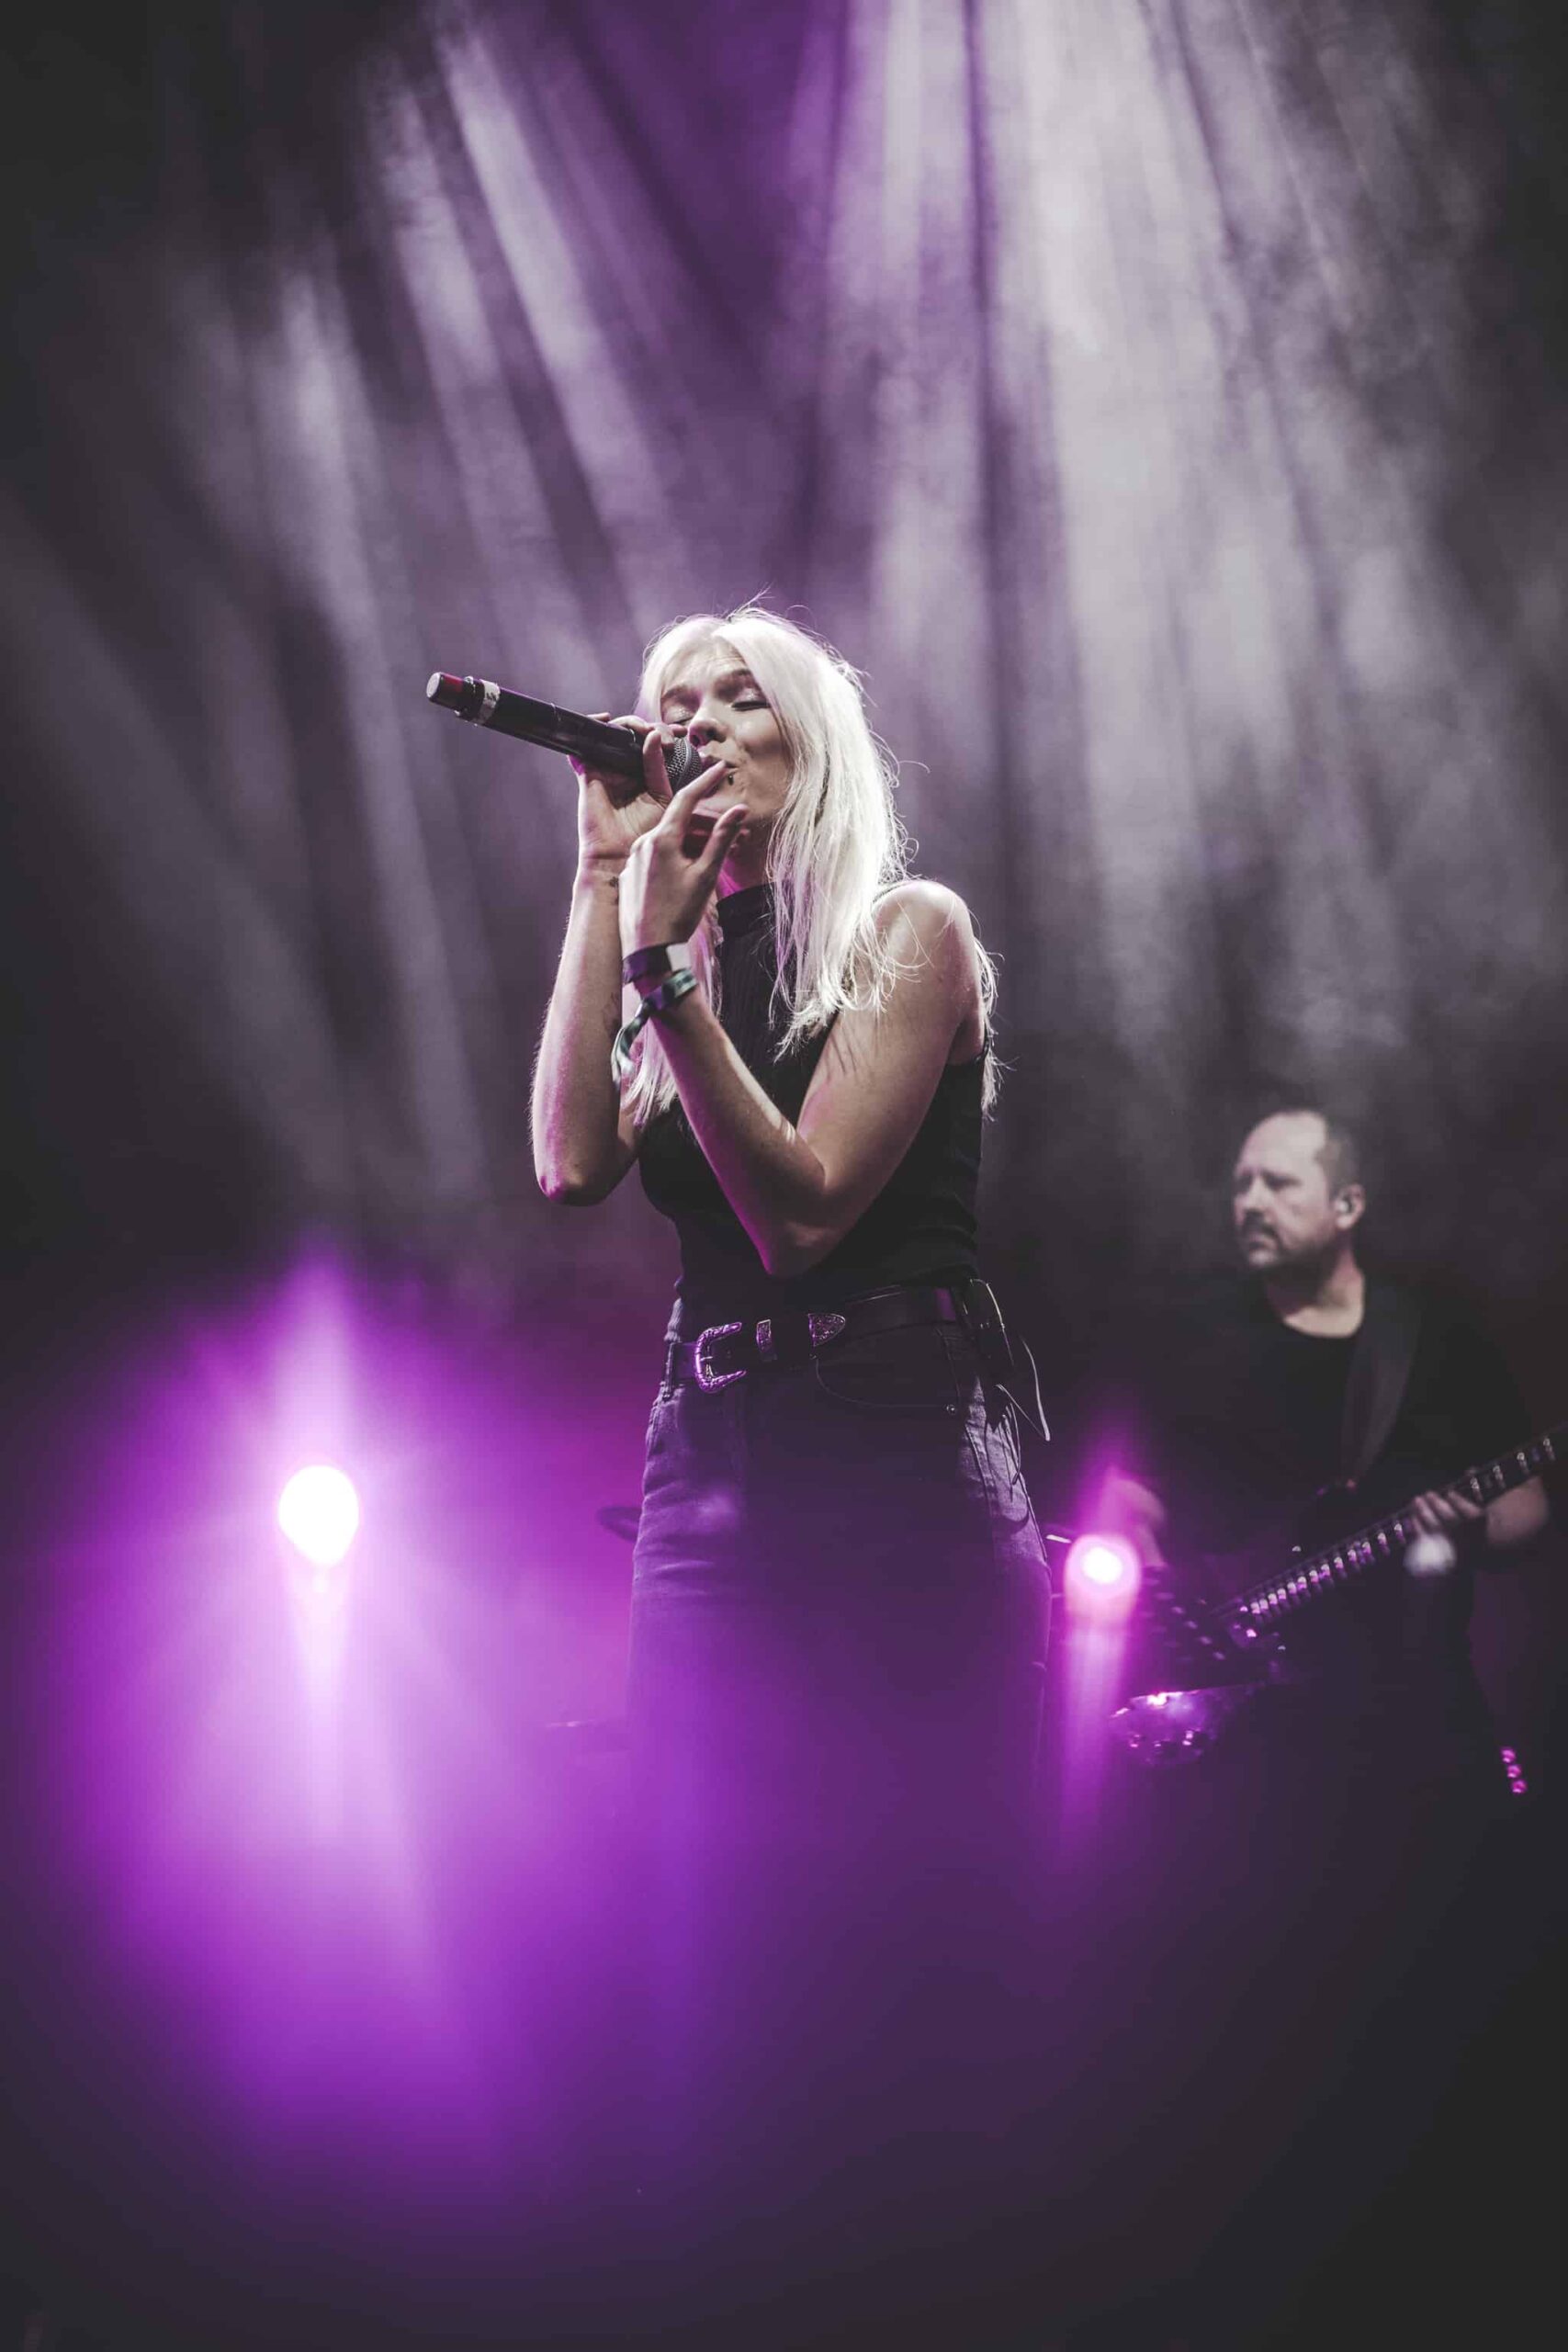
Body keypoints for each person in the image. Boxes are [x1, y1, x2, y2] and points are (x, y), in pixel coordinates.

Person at [529, 605, 1050, 2291]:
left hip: (899, 1449)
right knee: (713, 1906)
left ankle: (955, 2279)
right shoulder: (673, 948)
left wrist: (664, 973)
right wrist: (604, 887)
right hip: (713, 1462)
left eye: (736, 697)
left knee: (914, 1900)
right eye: (668, 701)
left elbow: (805, 1215)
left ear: (808, 739)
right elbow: (565, 1164)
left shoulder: (912, 933)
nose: (691, 722)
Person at [1092, 1102, 1551, 2344]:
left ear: (1347, 1206)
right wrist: (1149, 1586)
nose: (1248, 1201)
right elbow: (1128, 1503)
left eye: (1279, 1183)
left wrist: (1462, 1515)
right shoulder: (1195, 1339)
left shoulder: (1434, 1341)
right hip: (1254, 1756)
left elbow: (1527, 1510)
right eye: (1240, 1181)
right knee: (1264, 2040)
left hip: (1422, 1738)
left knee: (1447, 2024)